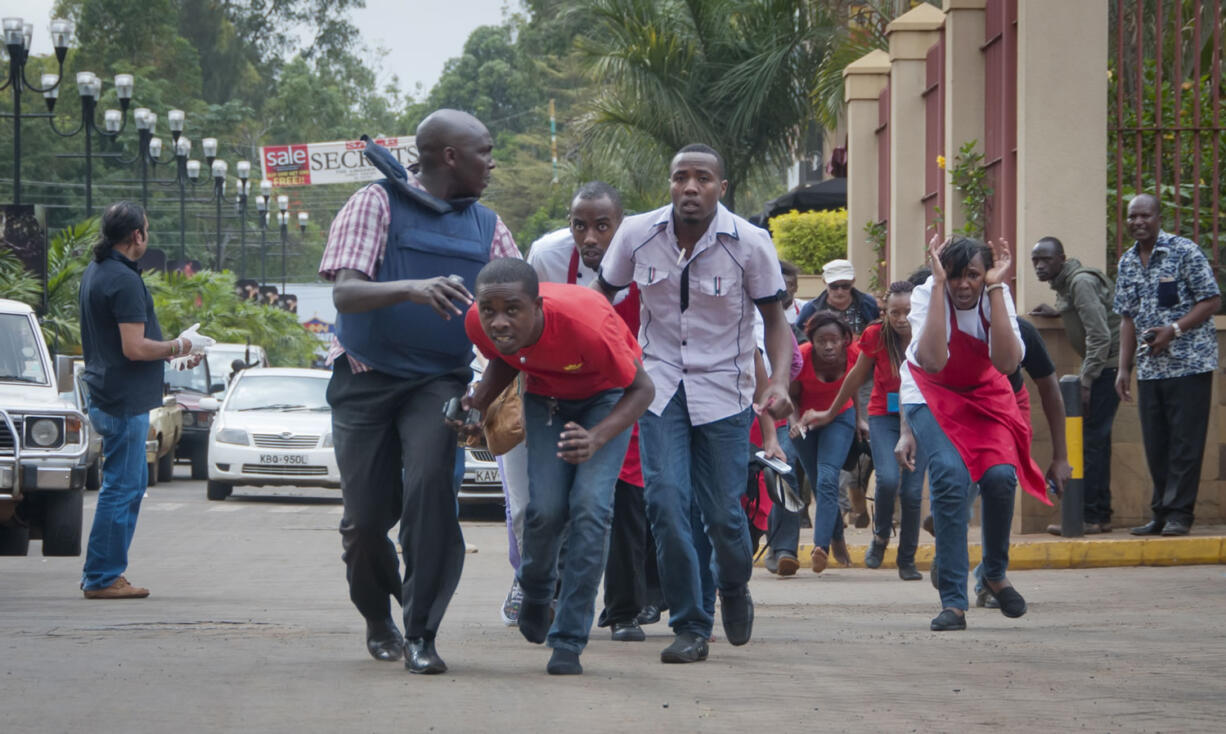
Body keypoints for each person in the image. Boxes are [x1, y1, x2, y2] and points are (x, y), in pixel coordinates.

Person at [320, 109, 520, 674]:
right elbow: (345, 296)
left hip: (439, 381)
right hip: (365, 375)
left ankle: (421, 632)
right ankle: (378, 618)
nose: (492, 161)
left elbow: (517, 309)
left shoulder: (490, 227)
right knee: (363, 522)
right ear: (450, 156)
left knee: (431, 495)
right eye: (484, 151)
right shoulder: (375, 203)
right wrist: (410, 288)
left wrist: (490, 390)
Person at [596, 143, 795, 664]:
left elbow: (774, 322)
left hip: (726, 392)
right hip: (659, 388)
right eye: (681, 177)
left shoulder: (750, 244)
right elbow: (601, 300)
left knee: (724, 517)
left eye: (702, 178)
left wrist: (776, 382)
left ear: (720, 188)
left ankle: (733, 584)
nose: (690, 187)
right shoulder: (637, 234)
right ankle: (690, 624)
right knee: (663, 504)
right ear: (670, 184)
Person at [459, 259, 654, 675]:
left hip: (606, 401)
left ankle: (568, 637)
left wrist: (596, 437)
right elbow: (506, 357)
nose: (498, 321)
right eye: (488, 309)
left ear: (537, 306)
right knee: (544, 510)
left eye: (512, 310)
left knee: (590, 510)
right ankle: (535, 589)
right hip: (546, 399)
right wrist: (477, 405)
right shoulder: (478, 322)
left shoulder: (587, 326)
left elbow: (642, 389)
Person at [901, 236, 1050, 631]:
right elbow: (931, 361)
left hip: (984, 395)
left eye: (973, 275)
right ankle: (954, 601)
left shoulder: (995, 295)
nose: (963, 285)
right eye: (954, 276)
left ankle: (994, 574)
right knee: (950, 476)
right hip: (929, 395)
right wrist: (936, 287)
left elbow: (1005, 362)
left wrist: (998, 287)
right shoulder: (925, 295)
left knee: (1001, 478)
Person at [78, 201, 209, 599]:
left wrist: (174, 353)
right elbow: (134, 348)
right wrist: (181, 343)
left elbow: (125, 347)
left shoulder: (96, 272)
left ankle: (103, 573)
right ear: (138, 235)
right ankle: (102, 576)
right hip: (125, 401)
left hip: (107, 392)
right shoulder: (124, 280)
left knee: (127, 486)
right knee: (122, 488)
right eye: (146, 228)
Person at [1114, 194, 1220, 537]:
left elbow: (1212, 299)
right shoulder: (1127, 262)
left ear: (1159, 217)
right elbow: (1126, 318)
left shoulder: (1184, 251)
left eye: (1145, 215)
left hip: (1190, 364)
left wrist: (1174, 330)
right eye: (1132, 216)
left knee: (1185, 443)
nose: (1138, 222)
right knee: (1156, 442)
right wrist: (1123, 368)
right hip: (1151, 368)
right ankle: (1160, 512)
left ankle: (1180, 514)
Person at [808, 281, 926, 581]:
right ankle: (881, 536)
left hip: (919, 417)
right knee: (887, 479)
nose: (901, 319)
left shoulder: (927, 331)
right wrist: (831, 412)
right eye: (894, 312)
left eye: (908, 312)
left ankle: (907, 558)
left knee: (912, 493)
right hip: (883, 417)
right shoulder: (875, 335)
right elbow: (854, 378)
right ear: (884, 311)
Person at [1029, 236, 1121, 534]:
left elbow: (1100, 335)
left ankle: (1092, 516)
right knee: (1097, 440)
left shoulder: (1079, 282)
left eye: (1046, 260)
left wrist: (1087, 379)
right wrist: (1061, 313)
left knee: (1091, 440)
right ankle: (1100, 513)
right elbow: (1088, 314)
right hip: (1105, 366)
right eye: (1035, 261)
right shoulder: (1068, 285)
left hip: (1107, 367)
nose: (1040, 266)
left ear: (1062, 258)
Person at [798, 258, 878, 528]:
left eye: (845, 286)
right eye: (835, 287)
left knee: (860, 437)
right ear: (825, 285)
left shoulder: (866, 305)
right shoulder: (811, 310)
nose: (840, 292)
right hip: (822, 383)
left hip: (862, 379)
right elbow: (801, 349)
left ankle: (853, 493)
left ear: (852, 284)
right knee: (824, 449)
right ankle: (840, 505)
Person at [787, 312, 862, 573]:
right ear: (812, 341)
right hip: (806, 422)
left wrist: (860, 420)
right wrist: (796, 422)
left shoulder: (854, 352)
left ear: (843, 339)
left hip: (840, 417)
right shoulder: (802, 356)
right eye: (821, 341)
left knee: (828, 477)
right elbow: (791, 397)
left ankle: (821, 547)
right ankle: (838, 537)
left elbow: (853, 386)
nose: (828, 346)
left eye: (834, 340)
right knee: (820, 482)